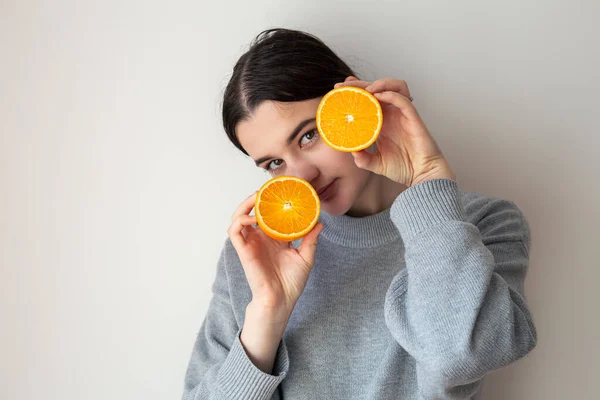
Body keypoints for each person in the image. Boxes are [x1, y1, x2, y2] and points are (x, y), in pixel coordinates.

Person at [181, 28, 537, 400]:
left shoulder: (481, 223)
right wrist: (268, 314)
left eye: (308, 136)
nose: (301, 175)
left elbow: (462, 355)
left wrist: (426, 176)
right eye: (274, 162)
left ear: (350, 106)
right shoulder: (258, 253)